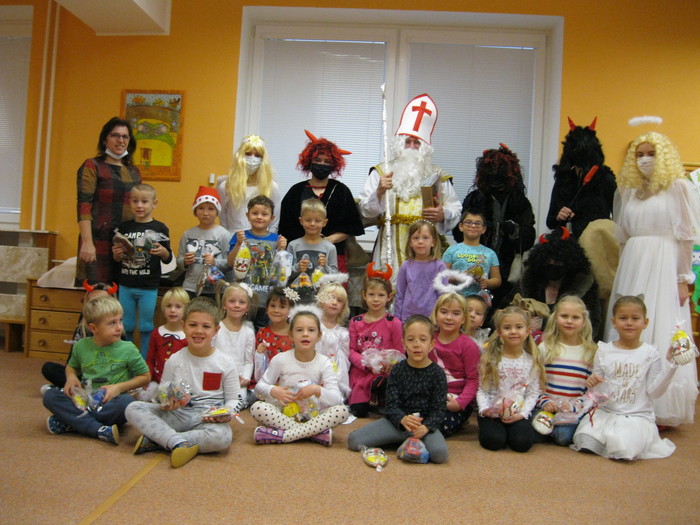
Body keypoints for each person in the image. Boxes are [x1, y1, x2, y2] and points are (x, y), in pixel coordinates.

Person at [605, 132, 700, 426]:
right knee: (627, 318)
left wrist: (683, 279)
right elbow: (623, 237)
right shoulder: (628, 190)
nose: (644, 159)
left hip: (663, 261)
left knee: (660, 321)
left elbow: (686, 236)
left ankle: (660, 406)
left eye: (651, 153)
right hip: (633, 261)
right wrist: (621, 271)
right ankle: (623, 399)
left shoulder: (678, 187)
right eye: (639, 154)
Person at [126, 297, 243, 468]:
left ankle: (161, 439)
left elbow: (234, 399)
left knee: (222, 438)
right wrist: (165, 401)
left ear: (216, 330)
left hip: (206, 419)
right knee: (133, 408)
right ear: (183, 326)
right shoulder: (175, 359)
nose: (199, 331)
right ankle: (177, 442)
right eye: (193, 325)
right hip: (177, 415)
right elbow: (162, 391)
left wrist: (227, 412)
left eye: (206, 326)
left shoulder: (226, 363)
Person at [359, 94, 461, 278]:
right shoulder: (381, 172)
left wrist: (443, 214)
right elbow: (366, 212)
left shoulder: (438, 175)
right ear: (399, 144)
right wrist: (379, 192)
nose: (412, 147)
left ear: (425, 147)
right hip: (389, 247)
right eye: (407, 142)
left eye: (417, 143)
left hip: (426, 249)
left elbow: (456, 210)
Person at [572, 296, 682, 460]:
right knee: (584, 440)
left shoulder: (650, 354)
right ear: (614, 322)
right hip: (607, 413)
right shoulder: (604, 350)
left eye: (635, 319)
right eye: (623, 318)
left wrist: (671, 366)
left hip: (636, 417)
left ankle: (620, 442)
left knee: (623, 448)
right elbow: (598, 391)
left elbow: (655, 392)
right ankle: (603, 439)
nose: (629, 323)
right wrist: (592, 384)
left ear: (645, 322)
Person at [43, 296, 150, 445]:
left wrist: (118, 388)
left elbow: (145, 376)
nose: (119, 327)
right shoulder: (81, 346)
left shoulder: (128, 349)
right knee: (50, 396)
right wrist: (71, 377)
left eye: (120, 320)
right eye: (112, 323)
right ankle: (98, 429)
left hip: (111, 403)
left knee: (128, 402)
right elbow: (72, 366)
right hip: (84, 400)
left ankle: (73, 422)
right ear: (93, 328)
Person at [347, 315, 449, 464]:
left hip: (423, 426)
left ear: (431, 344)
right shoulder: (397, 370)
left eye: (422, 339)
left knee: (440, 455)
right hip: (397, 423)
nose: (416, 344)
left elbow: (439, 409)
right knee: (354, 440)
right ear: (404, 344)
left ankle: (408, 440)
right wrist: (402, 419)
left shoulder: (438, 374)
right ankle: (405, 439)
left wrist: (426, 427)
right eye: (411, 339)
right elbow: (391, 405)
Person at [251, 305, 350, 445]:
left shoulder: (324, 362)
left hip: (314, 416)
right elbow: (260, 386)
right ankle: (313, 434)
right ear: (291, 335)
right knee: (257, 408)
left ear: (319, 336)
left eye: (311, 330)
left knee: (342, 411)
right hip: (285, 415)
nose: (305, 334)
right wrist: (274, 390)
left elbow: (336, 399)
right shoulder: (281, 359)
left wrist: (317, 390)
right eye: (299, 330)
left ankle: (283, 435)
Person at [453, 144, 536, 310]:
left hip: (507, 271)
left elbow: (528, 238)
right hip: (474, 267)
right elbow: (458, 232)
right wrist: (478, 229)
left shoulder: (520, 202)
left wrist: (514, 230)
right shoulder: (474, 199)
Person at [279, 130, 364, 273]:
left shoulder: (341, 191)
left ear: (334, 165)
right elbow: (285, 228)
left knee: (332, 288)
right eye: (318, 160)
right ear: (309, 161)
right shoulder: (295, 191)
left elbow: (352, 226)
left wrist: (328, 240)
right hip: (299, 257)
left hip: (333, 254)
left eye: (327, 162)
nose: (322, 164)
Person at [76, 117, 142, 286]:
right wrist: (87, 243)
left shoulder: (134, 172)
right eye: (115, 135)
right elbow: (84, 205)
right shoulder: (92, 165)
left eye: (125, 136)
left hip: (126, 242)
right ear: (105, 139)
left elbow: (139, 206)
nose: (120, 140)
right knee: (97, 293)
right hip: (98, 240)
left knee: (123, 292)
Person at [112, 183, 172, 357]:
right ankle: (127, 358)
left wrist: (163, 251)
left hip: (148, 285)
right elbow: (116, 259)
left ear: (154, 203)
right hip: (126, 283)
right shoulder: (124, 228)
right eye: (135, 201)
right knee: (127, 325)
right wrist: (117, 254)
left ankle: (144, 361)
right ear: (129, 202)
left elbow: (168, 258)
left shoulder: (160, 228)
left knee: (146, 325)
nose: (139, 205)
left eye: (144, 201)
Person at [476, 306, 545, 452]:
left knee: (522, 443)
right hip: (492, 410)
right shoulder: (491, 359)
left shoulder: (531, 361)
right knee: (493, 441)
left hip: (517, 411)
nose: (513, 331)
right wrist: (484, 410)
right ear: (499, 332)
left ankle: (511, 431)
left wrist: (522, 414)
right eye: (507, 328)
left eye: (519, 327)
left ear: (527, 331)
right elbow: (483, 390)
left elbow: (533, 393)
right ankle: (497, 430)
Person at [517, 227, 602, 339]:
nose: (552, 265)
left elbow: (591, 325)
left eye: (558, 262)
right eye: (548, 261)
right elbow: (508, 311)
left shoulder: (584, 285)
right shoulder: (529, 279)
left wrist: (544, 324)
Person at [534, 295, 597, 446]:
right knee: (532, 432)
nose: (569, 321)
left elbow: (591, 391)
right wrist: (544, 401)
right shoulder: (545, 347)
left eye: (575, 317)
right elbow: (535, 381)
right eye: (564, 316)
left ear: (583, 321)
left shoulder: (590, 352)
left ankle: (556, 429)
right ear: (556, 318)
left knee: (563, 437)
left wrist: (574, 406)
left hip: (572, 410)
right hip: (547, 406)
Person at [546, 117, 617, 237]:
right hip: (567, 242)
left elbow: (618, 218)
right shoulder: (564, 179)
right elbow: (550, 222)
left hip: (596, 242)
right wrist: (559, 216)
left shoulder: (605, 179)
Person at [40, 281, 118, 390]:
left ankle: (73, 389)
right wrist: (71, 375)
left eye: (103, 302)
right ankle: (75, 387)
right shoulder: (82, 325)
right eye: (93, 302)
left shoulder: (116, 327)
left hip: (103, 374)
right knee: (48, 368)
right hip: (82, 373)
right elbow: (72, 358)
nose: (97, 306)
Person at [227, 195, 287, 329]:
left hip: (267, 298)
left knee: (262, 332)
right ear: (247, 215)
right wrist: (238, 244)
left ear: (272, 218)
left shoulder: (277, 239)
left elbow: (281, 270)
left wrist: (281, 249)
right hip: (243, 298)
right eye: (255, 213)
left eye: (264, 214)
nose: (259, 217)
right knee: (240, 330)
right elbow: (230, 263)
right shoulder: (240, 236)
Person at [348, 276, 404, 417]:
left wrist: (390, 364)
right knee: (358, 411)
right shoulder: (355, 322)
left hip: (383, 373)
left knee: (385, 391)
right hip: (362, 372)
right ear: (364, 295)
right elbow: (351, 350)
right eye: (371, 294)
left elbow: (400, 352)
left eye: (381, 295)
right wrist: (367, 363)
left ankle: (381, 397)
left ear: (389, 297)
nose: (376, 299)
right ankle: (367, 399)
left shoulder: (394, 322)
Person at [429, 293, 480, 437]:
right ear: (436, 314)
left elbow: (473, 380)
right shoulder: (428, 338)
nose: (449, 317)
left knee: (438, 426)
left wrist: (460, 403)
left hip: (455, 398)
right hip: (430, 394)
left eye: (456, 313)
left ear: (464, 319)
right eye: (444, 312)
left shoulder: (469, 346)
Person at [216, 134, 281, 234]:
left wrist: (270, 240)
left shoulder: (271, 187)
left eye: (257, 155)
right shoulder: (226, 186)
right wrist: (228, 239)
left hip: (261, 238)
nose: (252, 159)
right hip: (234, 237)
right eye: (248, 154)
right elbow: (223, 218)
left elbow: (274, 221)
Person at [176, 186, 230, 298]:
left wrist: (215, 262)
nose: (205, 213)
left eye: (211, 209)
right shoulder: (187, 234)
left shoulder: (224, 234)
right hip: (190, 287)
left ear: (217, 212)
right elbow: (179, 262)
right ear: (195, 211)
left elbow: (229, 263)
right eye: (201, 208)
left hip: (215, 288)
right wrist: (185, 262)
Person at [138, 287, 190, 401]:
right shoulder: (156, 333)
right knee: (142, 395)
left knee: (173, 400)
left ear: (186, 309)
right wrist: (147, 377)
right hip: (157, 380)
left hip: (179, 383)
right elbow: (150, 359)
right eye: (168, 306)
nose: (172, 310)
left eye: (178, 306)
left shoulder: (188, 336)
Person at [213, 281, 257, 407]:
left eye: (242, 302)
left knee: (237, 403)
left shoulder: (248, 332)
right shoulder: (216, 328)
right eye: (232, 301)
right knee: (213, 403)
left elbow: (248, 361)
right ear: (224, 305)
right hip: (216, 378)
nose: (237, 305)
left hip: (238, 381)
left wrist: (246, 378)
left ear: (247, 307)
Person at [394, 219, 446, 322]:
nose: (420, 241)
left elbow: (443, 296)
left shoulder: (439, 266)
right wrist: (397, 319)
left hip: (431, 319)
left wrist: (440, 318)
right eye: (416, 238)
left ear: (433, 242)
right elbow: (400, 294)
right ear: (410, 242)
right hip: (408, 319)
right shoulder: (406, 266)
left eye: (425, 238)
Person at [443, 209, 501, 298]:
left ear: (483, 229)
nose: (473, 226)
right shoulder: (452, 250)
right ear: (461, 226)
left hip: (480, 300)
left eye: (478, 223)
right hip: (456, 298)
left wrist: (487, 282)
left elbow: (497, 279)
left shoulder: (490, 253)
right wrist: (457, 277)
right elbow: (442, 276)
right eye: (468, 222)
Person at [315, 279, 352, 401]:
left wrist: (333, 378)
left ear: (343, 307)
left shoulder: (343, 334)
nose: (334, 302)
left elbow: (343, 362)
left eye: (339, 300)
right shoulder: (313, 327)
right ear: (321, 301)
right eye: (330, 298)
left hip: (335, 378)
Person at [288, 199, 339, 276]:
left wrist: (325, 267)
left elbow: (335, 275)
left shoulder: (330, 248)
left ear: (324, 222)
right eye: (308, 220)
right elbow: (284, 273)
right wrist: (297, 268)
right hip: (297, 284)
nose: (312, 224)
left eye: (317, 221)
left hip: (322, 284)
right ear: (301, 221)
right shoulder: (293, 245)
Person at [254, 288, 295, 380]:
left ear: (290, 310)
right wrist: (259, 353)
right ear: (266, 308)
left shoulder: (295, 334)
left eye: (282, 307)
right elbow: (257, 365)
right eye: (272, 306)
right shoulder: (262, 333)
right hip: (265, 381)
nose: (276, 310)